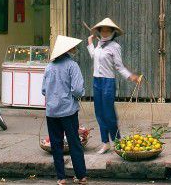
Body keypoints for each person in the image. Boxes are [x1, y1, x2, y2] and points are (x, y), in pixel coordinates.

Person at [87, 17, 139, 154]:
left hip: (108, 82)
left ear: (112, 32)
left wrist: (131, 76)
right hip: (96, 81)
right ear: (99, 31)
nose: (104, 32)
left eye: (107, 30)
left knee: (109, 114)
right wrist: (90, 44)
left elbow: (119, 66)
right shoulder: (99, 44)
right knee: (99, 113)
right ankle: (105, 142)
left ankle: (117, 141)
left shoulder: (115, 47)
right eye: (102, 30)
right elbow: (95, 57)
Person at [42, 35, 87, 185]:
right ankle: (81, 176)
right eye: (73, 47)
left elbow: (43, 90)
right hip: (68, 111)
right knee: (74, 143)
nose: (75, 49)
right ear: (68, 50)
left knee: (56, 145)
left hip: (52, 113)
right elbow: (78, 90)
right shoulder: (72, 66)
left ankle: (61, 178)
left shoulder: (49, 67)